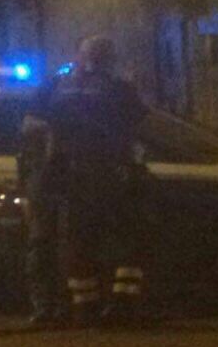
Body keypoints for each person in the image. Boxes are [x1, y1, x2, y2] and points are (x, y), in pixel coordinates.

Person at [34, 37, 148, 328]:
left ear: (80, 57)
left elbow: (38, 125)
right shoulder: (119, 89)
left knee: (78, 243)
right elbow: (139, 124)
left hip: (71, 178)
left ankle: (85, 307)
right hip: (112, 174)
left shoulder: (58, 87)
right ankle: (123, 305)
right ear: (110, 59)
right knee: (129, 238)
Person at [20, 73, 66, 326]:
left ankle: (54, 306)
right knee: (44, 244)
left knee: (49, 244)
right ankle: (47, 306)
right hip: (49, 184)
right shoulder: (44, 121)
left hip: (58, 183)